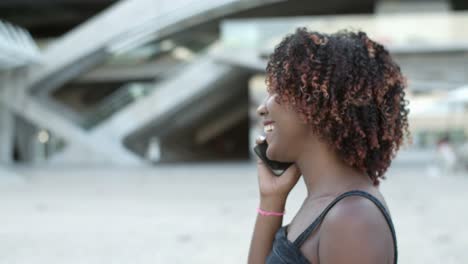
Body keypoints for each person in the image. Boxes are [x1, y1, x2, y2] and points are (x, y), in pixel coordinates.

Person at [248, 28, 409, 264]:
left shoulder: (353, 218)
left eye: (277, 91)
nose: (262, 108)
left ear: (315, 104)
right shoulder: (325, 202)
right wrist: (271, 199)